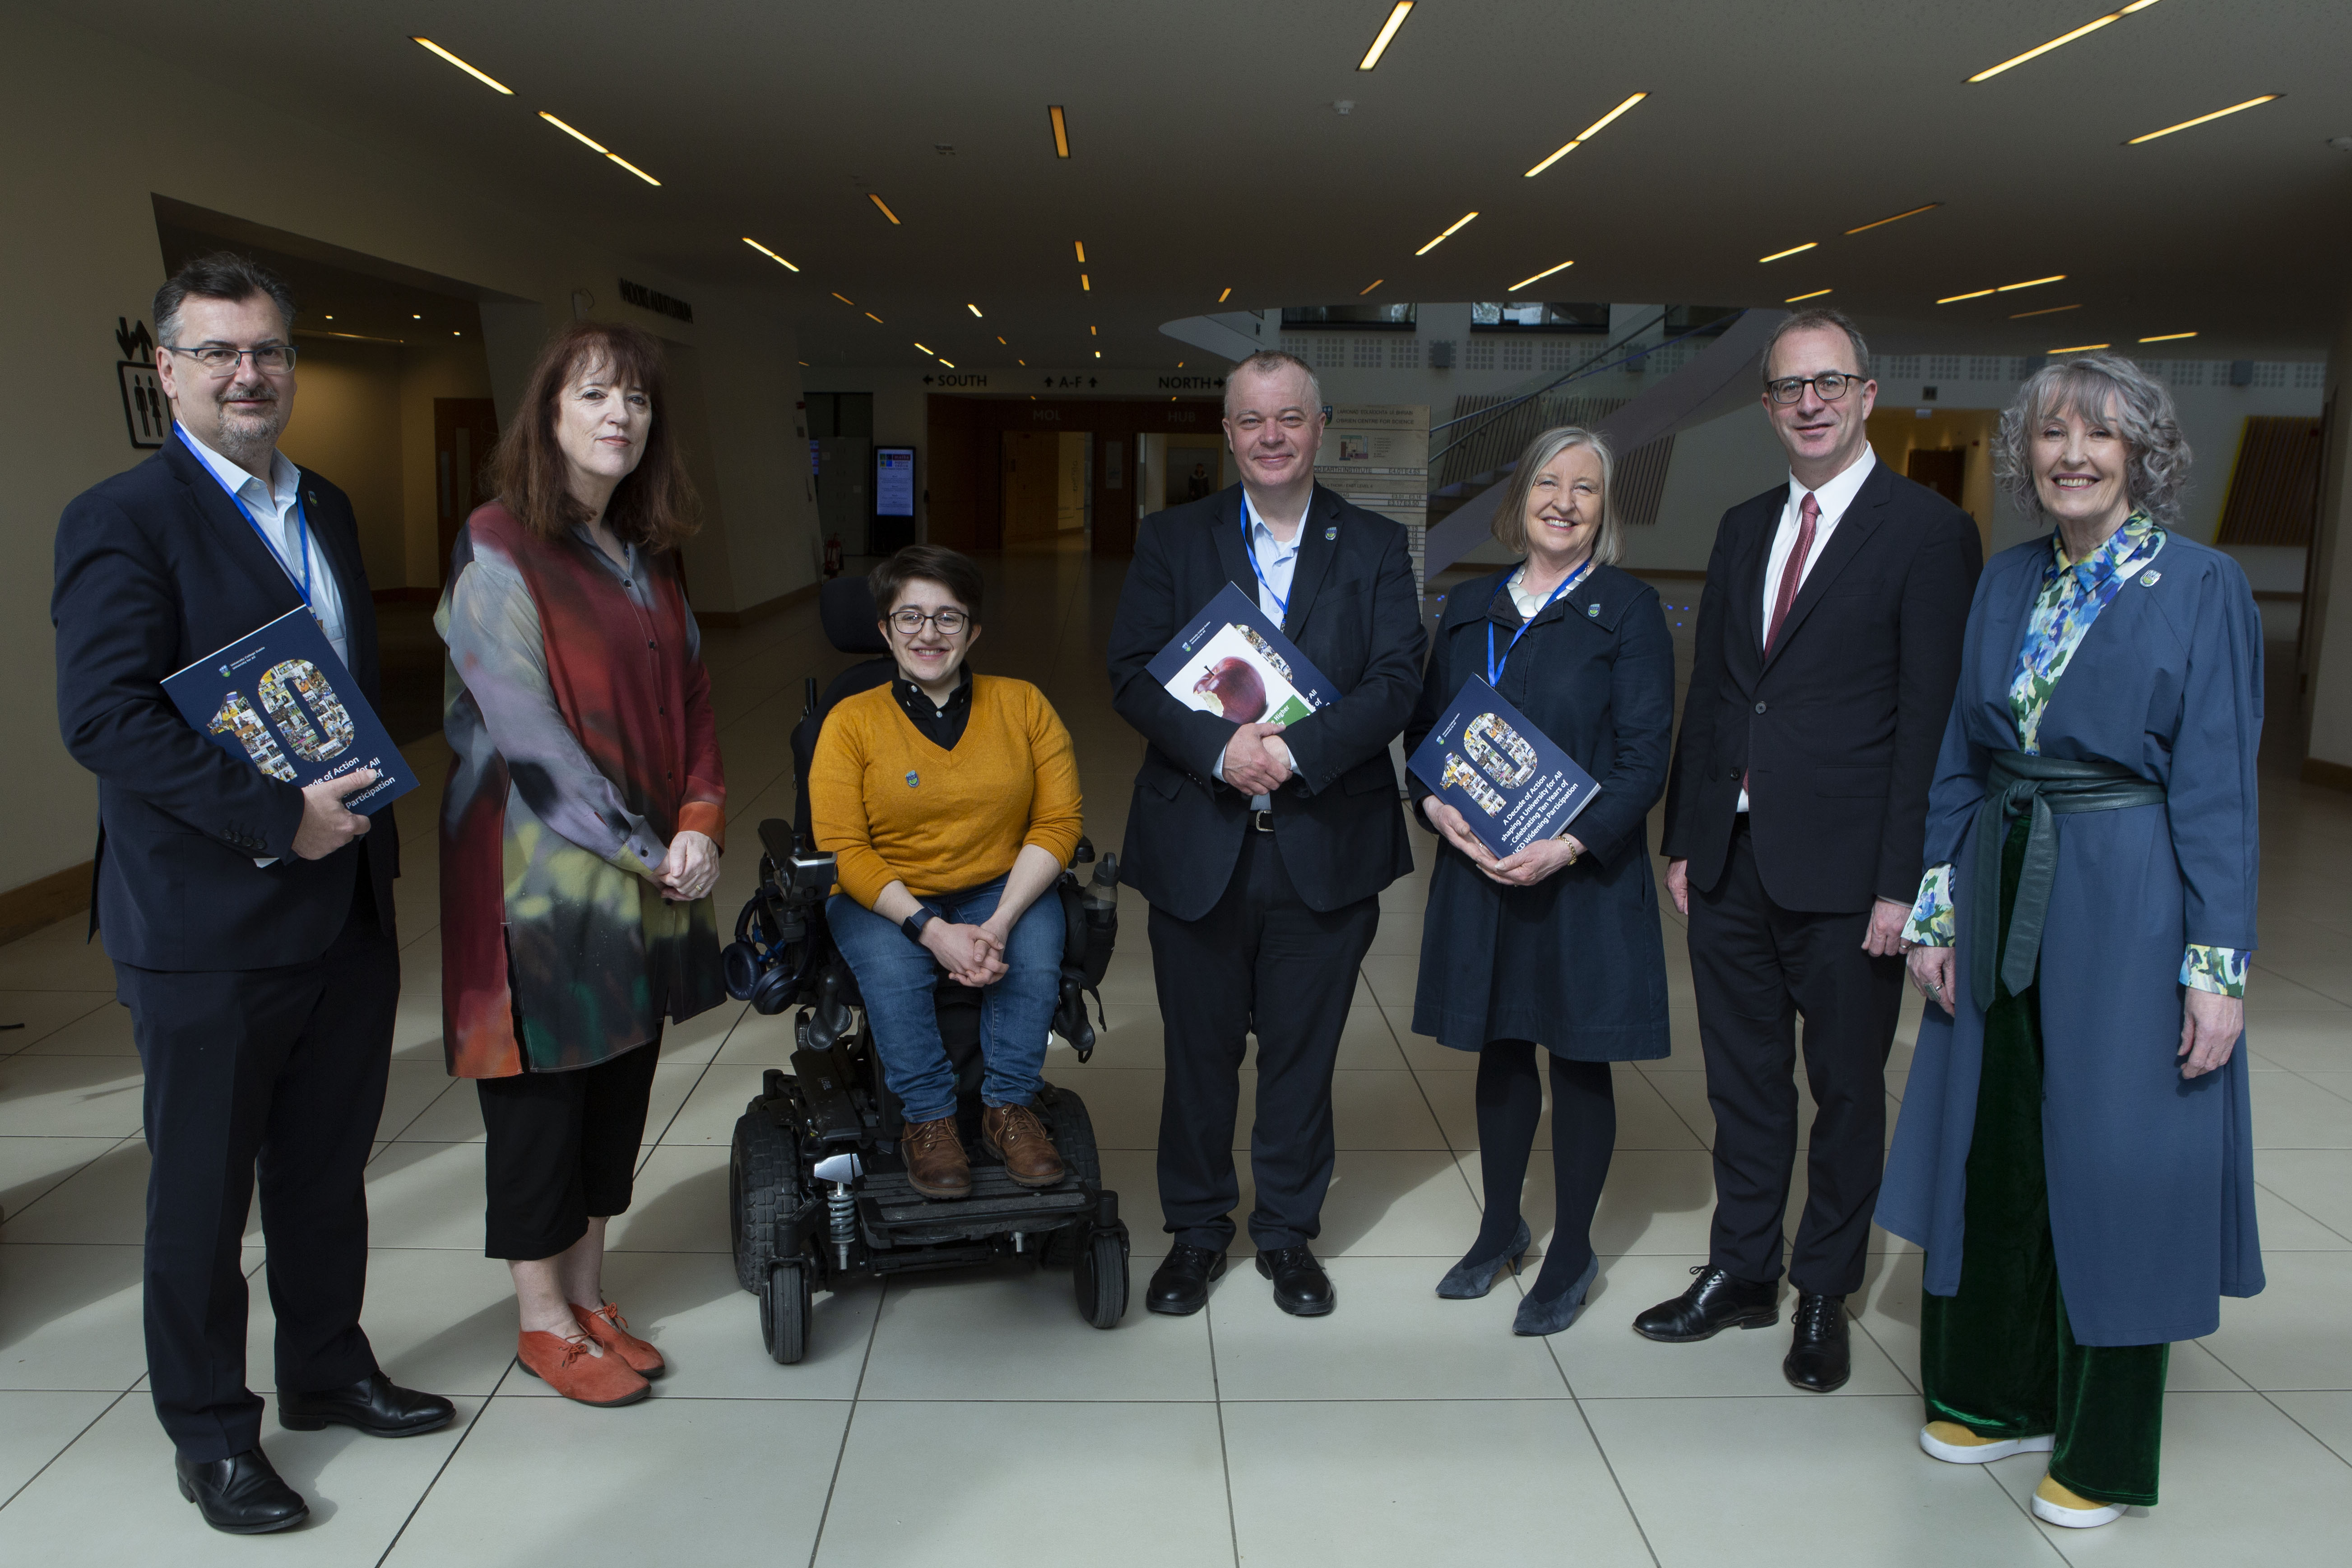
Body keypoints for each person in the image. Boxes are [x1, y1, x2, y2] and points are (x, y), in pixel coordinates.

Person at [53, 253, 452, 1535]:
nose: (247, 373)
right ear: (164, 368)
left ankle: (327, 1370)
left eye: (267, 350)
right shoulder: (124, 515)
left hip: (344, 911)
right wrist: (278, 814)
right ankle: (214, 1434)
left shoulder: (322, 502)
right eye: (217, 351)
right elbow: (104, 716)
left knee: (325, 1171)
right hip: (209, 925)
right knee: (203, 1192)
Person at [1881, 354, 2262, 1530]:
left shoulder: (2201, 586)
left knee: (2114, 1155)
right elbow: (1960, 754)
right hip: (2002, 875)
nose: (2073, 455)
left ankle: (2099, 1444)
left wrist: (2214, 971)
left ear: (2142, 451)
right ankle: (1996, 1393)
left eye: (2100, 435)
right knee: (1995, 1139)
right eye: (2052, 435)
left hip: (2129, 889)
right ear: (2026, 452)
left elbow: (2216, 790)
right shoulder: (2002, 581)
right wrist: (1934, 917)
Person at [1649, 307, 1980, 1391]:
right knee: (1743, 1085)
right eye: (1790, 387)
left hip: (1851, 880)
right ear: (1766, 406)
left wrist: (1904, 883)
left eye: (1829, 383)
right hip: (1733, 861)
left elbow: (1928, 721)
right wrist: (1685, 836)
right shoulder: (1743, 523)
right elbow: (1716, 695)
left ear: (1866, 395)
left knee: (1843, 1090)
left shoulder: (1926, 534)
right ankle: (1742, 1270)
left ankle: (1822, 1289)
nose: (1810, 403)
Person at [438, 320, 725, 1409]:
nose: (620, 417)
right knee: (541, 1097)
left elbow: (694, 697)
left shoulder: (647, 553)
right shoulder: (497, 544)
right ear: (547, 415)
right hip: (536, 888)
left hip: (642, 876)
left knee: (618, 1082)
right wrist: (656, 852)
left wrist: (700, 817)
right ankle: (542, 1318)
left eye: (637, 402)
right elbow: (529, 737)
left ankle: (592, 1294)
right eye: (596, 396)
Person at [1105, 349, 1424, 1317]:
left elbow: (1395, 682)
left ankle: (1286, 1234)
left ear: (1318, 429)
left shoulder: (1371, 543)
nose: (1272, 436)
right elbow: (1130, 673)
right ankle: (1197, 1231)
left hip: (1323, 842)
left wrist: (1289, 755)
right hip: (1197, 842)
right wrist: (1219, 752)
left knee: (1301, 1052)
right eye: (1252, 421)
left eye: (1290, 418)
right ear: (1228, 434)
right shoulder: (1172, 538)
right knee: (1197, 1056)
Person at [1406, 427, 1675, 1335]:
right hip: (1481, 868)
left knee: (1578, 1050)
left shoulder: (1626, 609)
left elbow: (1644, 761)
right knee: (1499, 1043)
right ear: (1517, 497)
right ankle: (1498, 1227)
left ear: (1605, 511)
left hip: (1578, 875)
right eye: (1547, 482)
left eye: (1586, 488)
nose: (1563, 500)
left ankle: (1570, 1251)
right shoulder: (1471, 604)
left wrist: (1565, 846)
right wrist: (1433, 806)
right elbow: (1426, 738)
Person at [807, 546, 1084, 1196]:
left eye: (948, 618)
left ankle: (1008, 1109)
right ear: (885, 630)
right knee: (897, 969)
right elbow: (844, 848)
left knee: (1036, 952)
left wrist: (1000, 919)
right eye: (910, 617)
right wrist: (934, 930)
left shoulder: (1024, 706)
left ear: (973, 630)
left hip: (1000, 883)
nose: (928, 633)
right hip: (885, 893)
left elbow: (1059, 823)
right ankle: (929, 1121)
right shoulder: (850, 721)